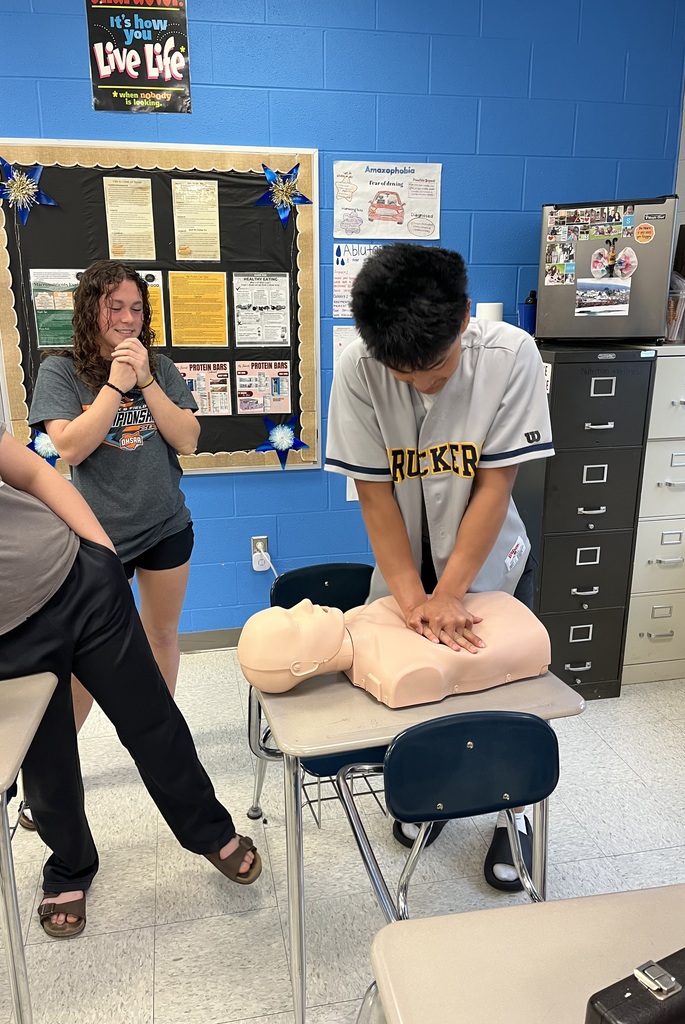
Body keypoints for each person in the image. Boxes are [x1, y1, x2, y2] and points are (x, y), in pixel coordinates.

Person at [0, 392, 261, 938]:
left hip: (77, 581)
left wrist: (100, 555)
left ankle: (210, 831)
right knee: (47, 762)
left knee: (153, 720)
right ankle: (70, 865)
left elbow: (34, 474)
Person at [324, 243, 554, 889]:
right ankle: (440, 797)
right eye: (404, 371)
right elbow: (374, 492)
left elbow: (495, 483)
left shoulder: (510, 354)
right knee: (424, 687)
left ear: (461, 322)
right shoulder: (358, 365)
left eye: (436, 364)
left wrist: (449, 593)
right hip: (405, 565)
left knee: (506, 691)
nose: (423, 381)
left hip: (487, 563)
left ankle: (515, 814)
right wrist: (411, 598)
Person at [29, 261, 198, 733]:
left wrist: (144, 379)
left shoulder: (158, 367)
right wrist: (116, 385)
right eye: (114, 307)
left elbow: (187, 439)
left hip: (166, 524)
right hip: (98, 536)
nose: (127, 319)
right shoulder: (59, 370)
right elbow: (71, 447)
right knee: (86, 653)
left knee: (161, 634)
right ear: (89, 310)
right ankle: (65, 764)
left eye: (136, 309)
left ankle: (162, 738)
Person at [237, 592, 551, 703]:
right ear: (301, 667)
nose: (304, 604)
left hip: (500, 609)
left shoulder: (361, 616)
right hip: (518, 637)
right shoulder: (392, 672)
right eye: (295, 622)